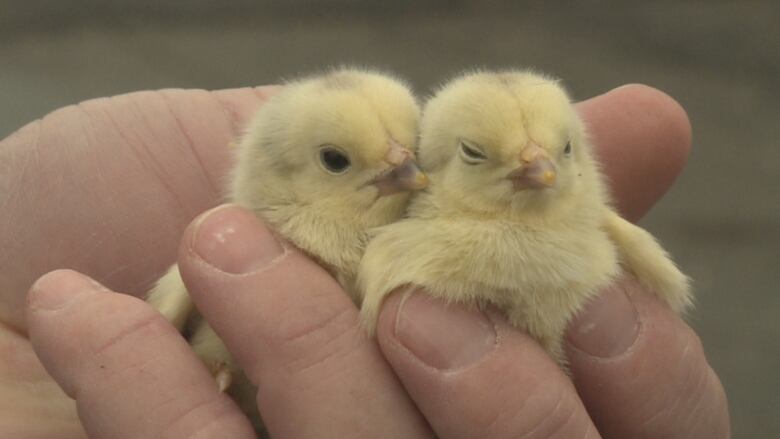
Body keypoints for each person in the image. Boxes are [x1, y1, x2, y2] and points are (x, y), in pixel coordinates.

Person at [1, 84, 729, 438]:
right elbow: (165, 309)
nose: (404, 172)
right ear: (280, 169)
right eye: (338, 160)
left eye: (411, 151)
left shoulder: (427, 218)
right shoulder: (230, 238)